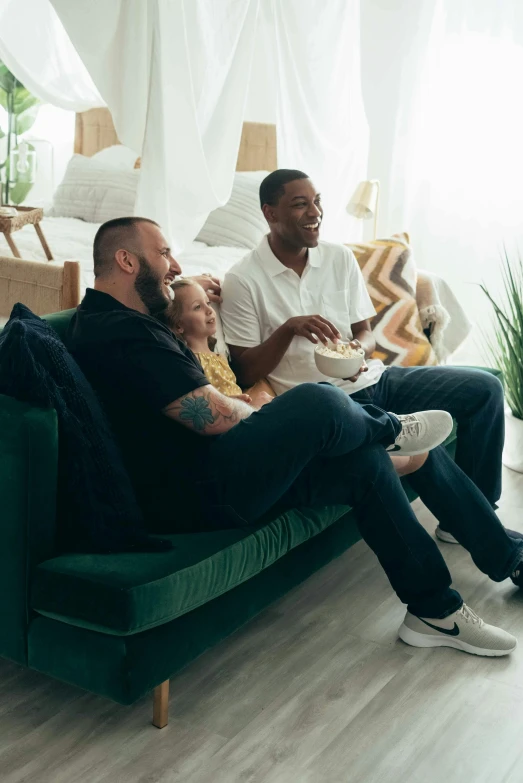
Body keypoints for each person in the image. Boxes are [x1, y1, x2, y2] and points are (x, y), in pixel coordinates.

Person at [66, 216, 523, 658]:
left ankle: (437, 610)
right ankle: (389, 428)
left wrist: (182, 294)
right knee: (316, 401)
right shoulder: (118, 333)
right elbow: (215, 419)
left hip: (214, 469)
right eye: (164, 253)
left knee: (367, 464)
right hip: (195, 492)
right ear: (127, 261)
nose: (177, 264)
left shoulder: (131, 321)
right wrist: (279, 419)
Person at [220, 169, 519, 544]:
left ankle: (476, 512)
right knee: (417, 442)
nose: (315, 212)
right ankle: (493, 538)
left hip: (373, 378)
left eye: (317, 201)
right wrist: (288, 329)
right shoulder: (242, 279)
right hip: (330, 405)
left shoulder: (338, 257)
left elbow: (364, 330)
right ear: (270, 213)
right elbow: (246, 369)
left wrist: (358, 350)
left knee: (486, 388)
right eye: (300, 204)